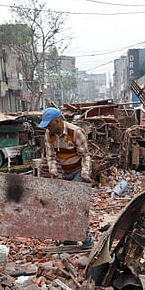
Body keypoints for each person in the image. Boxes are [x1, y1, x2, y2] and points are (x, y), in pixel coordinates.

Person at [39, 107, 93, 249]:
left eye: (49, 125)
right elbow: (50, 156)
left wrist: (85, 173)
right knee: (62, 204)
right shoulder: (49, 134)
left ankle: (87, 239)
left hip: (79, 170)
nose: (47, 128)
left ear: (57, 121)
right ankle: (70, 238)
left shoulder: (76, 132)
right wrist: (53, 170)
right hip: (65, 171)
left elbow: (85, 156)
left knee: (75, 205)